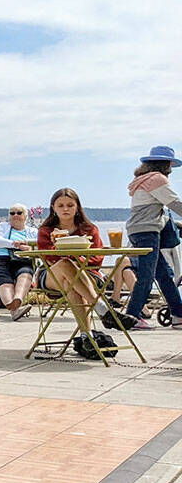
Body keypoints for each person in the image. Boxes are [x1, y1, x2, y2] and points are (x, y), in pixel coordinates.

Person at [35, 188, 133, 343]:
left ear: (77, 207)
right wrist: (69, 254)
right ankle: (102, 309)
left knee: (71, 284)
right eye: (60, 205)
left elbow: (97, 257)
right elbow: (47, 255)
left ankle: (86, 337)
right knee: (65, 264)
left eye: (70, 205)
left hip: (87, 273)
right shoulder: (46, 230)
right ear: (53, 207)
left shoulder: (89, 229)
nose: (65, 209)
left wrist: (76, 259)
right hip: (53, 275)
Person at [124, 146, 182, 329]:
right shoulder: (157, 179)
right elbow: (175, 203)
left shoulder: (142, 180)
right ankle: (132, 316)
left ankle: (179, 314)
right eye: (170, 164)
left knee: (164, 275)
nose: (171, 169)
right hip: (147, 232)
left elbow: (150, 210)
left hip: (138, 230)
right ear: (165, 164)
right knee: (147, 276)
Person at [0, 205, 38, 320]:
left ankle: (17, 300)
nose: (15, 215)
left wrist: (30, 249)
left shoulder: (33, 231)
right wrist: (16, 244)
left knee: (26, 274)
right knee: (5, 282)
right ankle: (14, 309)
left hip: (22, 260)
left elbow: (39, 247)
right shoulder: (2, 226)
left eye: (19, 213)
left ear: (26, 216)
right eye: (12, 213)